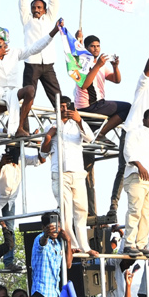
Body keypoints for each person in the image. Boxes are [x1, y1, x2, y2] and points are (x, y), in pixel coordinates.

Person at [106, 33, 149, 220]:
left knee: (148, 170)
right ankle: (114, 204)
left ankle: (148, 212)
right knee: (124, 167)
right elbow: (147, 68)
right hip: (131, 132)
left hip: (148, 139)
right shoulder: (142, 87)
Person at [72, 32, 131, 217]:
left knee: (125, 109)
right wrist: (96, 65)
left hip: (99, 105)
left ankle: (102, 132)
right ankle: (102, 133)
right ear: (86, 48)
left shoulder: (101, 65)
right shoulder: (82, 63)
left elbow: (117, 79)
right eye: (92, 46)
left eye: (97, 46)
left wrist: (115, 67)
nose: (95, 49)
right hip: (88, 107)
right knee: (127, 107)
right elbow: (84, 84)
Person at [0, 19, 62, 136]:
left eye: (1, 39)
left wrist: (54, 31)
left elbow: (35, 47)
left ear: (6, 42)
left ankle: (20, 127)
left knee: (30, 89)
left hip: (10, 93)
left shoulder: (14, 52)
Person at [41, 97, 97, 256]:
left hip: (77, 172)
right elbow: (43, 153)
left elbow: (90, 138)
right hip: (60, 173)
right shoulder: (50, 126)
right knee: (65, 211)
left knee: (82, 210)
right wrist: (48, 138)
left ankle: (85, 246)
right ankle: (70, 243)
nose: (64, 109)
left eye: (66, 106)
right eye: (61, 107)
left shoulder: (77, 124)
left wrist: (79, 120)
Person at [0, 145, 45, 272]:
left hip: (9, 199)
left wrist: (37, 145)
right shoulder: (0, 159)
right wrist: (1, 164)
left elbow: (40, 160)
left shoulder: (22, 159)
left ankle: (9, 261)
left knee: (9, 229)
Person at [123, 108, 149, 257]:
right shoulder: (135, 132)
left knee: (148, 214)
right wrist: (139, 165)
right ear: (144, 120)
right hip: (136, 177)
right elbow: (127, 151)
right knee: (135, 211)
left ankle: (141, 243)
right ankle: (129, 243)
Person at [19, 0, 61, 106]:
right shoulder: (27, 20)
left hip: (48, 63)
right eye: (34, 8)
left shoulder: (49, 18)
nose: (36, 10)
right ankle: (23, 127)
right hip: (32, 63)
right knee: (28, 97)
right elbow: (23, 0)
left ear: (44, 10)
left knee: (57, 97)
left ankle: (64, 123)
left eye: (39, 8)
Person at [30, 212, 73, 297]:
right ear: (43, 227)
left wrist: (68, 241)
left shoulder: (59, 243)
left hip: (54, 293)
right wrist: (46, 235)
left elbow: (68, 264)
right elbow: (42, 243)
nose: (54, 230)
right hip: (42, 292)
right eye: (51, 227)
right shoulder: (39, 238)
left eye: (56, 227)